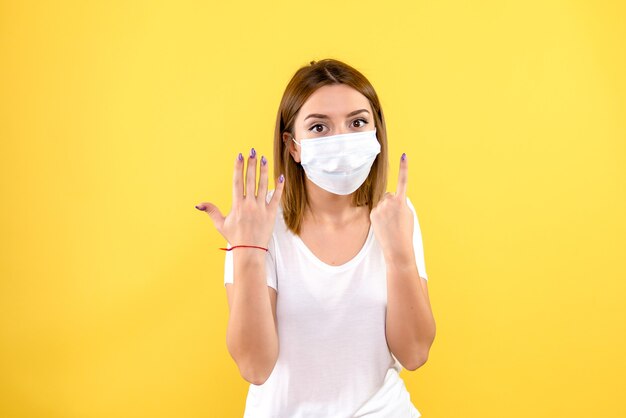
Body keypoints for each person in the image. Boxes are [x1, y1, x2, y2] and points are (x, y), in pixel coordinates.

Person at [195, 58, 436, 417]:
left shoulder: (396, 214)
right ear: (293, 146)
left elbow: (415, 354)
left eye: (357, 122)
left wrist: (399, 252)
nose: (342, 139)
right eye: (320, 127)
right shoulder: (258, 224)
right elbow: (254, 367)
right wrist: (247, 251)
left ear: (376, 133)